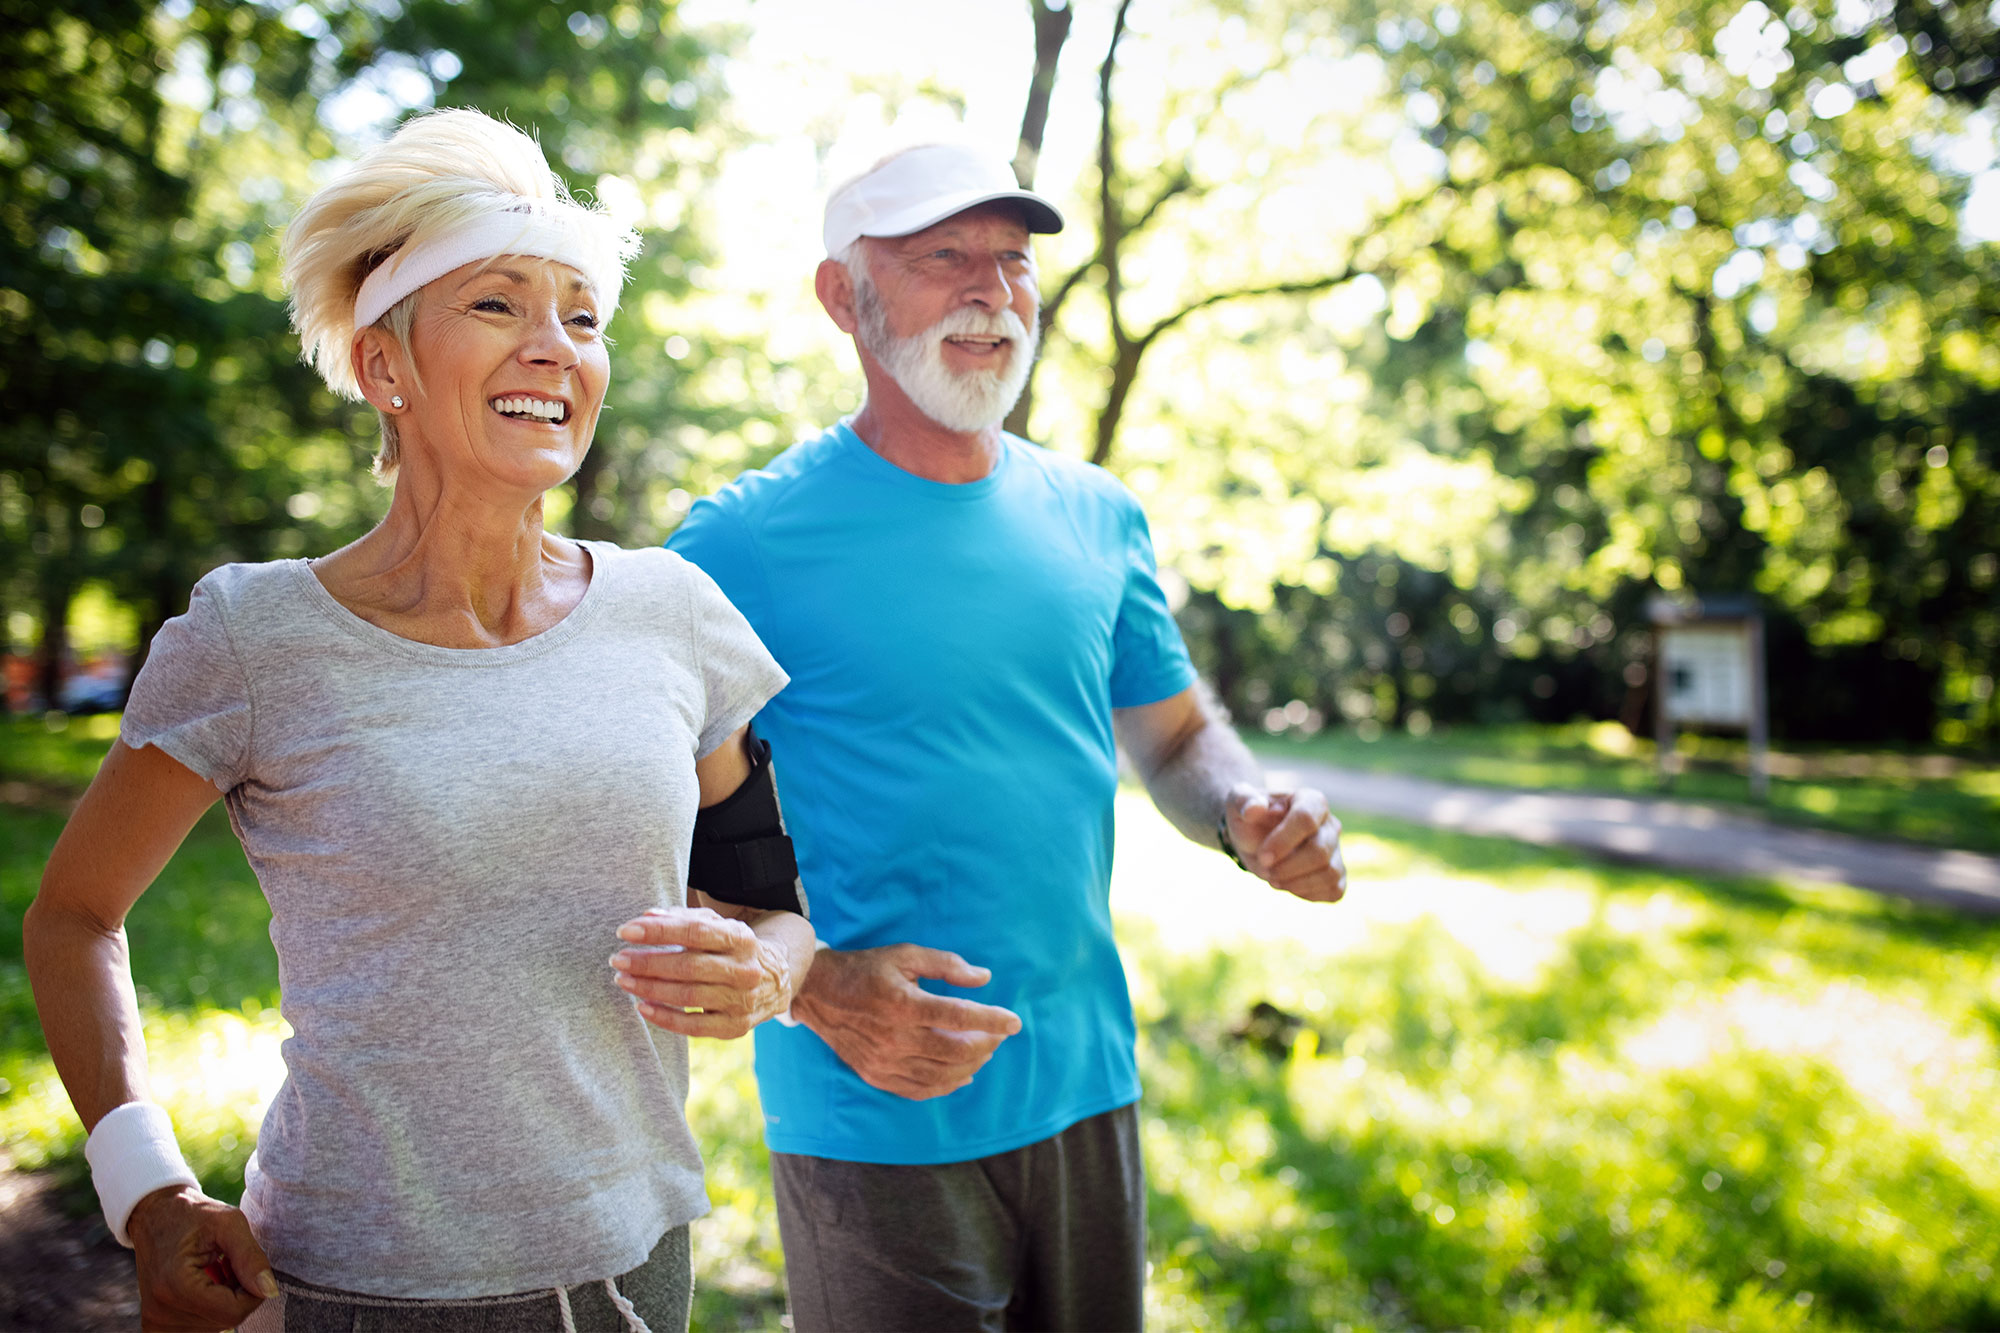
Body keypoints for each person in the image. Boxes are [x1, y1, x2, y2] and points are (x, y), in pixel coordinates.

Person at [23, 108, 816, 1333]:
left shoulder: (672, 611)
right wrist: (151, 1196)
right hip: (350, 1282)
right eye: (498, 304)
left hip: (633, 1266)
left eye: (582, 315)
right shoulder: (255, 638)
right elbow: (74, 915)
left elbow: (775, 902)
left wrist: (764, 970)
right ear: (384, 366)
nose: (554, 346)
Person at [667, 141, 1349, 1333]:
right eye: (944, 257)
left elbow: (1179, 736)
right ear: (843, 296)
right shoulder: (739, 545)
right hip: (876, 1103)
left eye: (1013, 259)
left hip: (1090, 1083)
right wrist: (815, 987)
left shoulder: (1098, 515)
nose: (992, 288)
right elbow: (629, 821)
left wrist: (1241, 814)